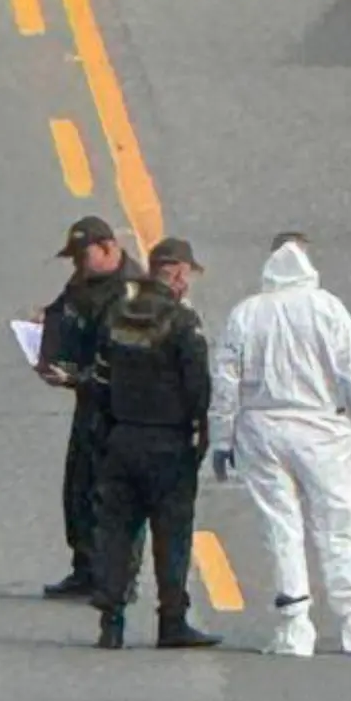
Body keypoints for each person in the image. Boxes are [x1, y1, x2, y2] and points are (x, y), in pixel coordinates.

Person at [209, 232, 351, 657]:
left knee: (280, 526)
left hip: (262, 429)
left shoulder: (246, 314)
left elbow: (226, 383)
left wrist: (222, 439)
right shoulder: (326, 308)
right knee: (338, 524)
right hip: (323, 431)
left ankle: (294, 625)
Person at [90, 237, 222, 650]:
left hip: (122, 437)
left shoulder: (118, 313)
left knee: (115, 531)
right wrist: (204, 434)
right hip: (168, 442)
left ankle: (111, 621)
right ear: (178, 272)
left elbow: (100, 380)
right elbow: (199, 386)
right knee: (172, 534)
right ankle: (172, 621)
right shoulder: (182, 323)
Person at [38, 216, 147, 599]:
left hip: (118, 409)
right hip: (88, 403)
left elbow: (122, 362)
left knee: (114, 495)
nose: (76, 266)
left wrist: (75, 377)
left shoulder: (129, 292)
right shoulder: (86, 282)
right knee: (79, 488)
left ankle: (116, 579)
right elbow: (64, 310)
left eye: (81, 256)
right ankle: (85, 568)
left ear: (106, 248)